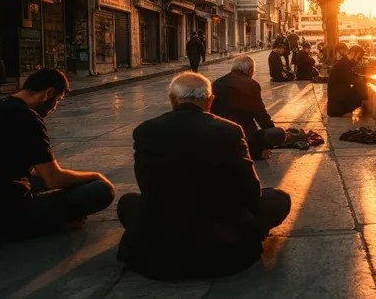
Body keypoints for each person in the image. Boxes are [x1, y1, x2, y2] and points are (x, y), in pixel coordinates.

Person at [116, 72, 291, 280]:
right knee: (279, 198)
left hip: (164, 243)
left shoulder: (145, 131)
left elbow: (147, 187)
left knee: (128, 202)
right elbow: (251, 192)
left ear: (172, 100)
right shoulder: (230, 131)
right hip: (222, 247)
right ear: (210, 101)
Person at [0, 68, 115, 242]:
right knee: (101, 190)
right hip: (2, 219)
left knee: (43, 179)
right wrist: (95, 175)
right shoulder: (28, 118)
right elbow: (53, 179)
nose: (54, 108)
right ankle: (48, 224)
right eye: (56, 101)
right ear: (48, 93)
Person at [211, 56, 286, 160]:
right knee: (279, 133)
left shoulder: (216, 84)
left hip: (219, 137)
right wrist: (271, 130)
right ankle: (254, 152)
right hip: (243, 137)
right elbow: (260, 115)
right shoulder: (251, 85)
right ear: (250, 70)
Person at [327, 45, 371, 117]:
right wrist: (365, 80)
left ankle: (346, 109)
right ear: (353, 54)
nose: (358, 61)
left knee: (360, 85)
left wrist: (367, 78)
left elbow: (354, 75)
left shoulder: (345, 62)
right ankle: (344, 111)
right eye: (358, 58)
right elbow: (353, 79)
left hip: (339, 98)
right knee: (360, 88)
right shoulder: (342, 65)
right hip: (337, 105)